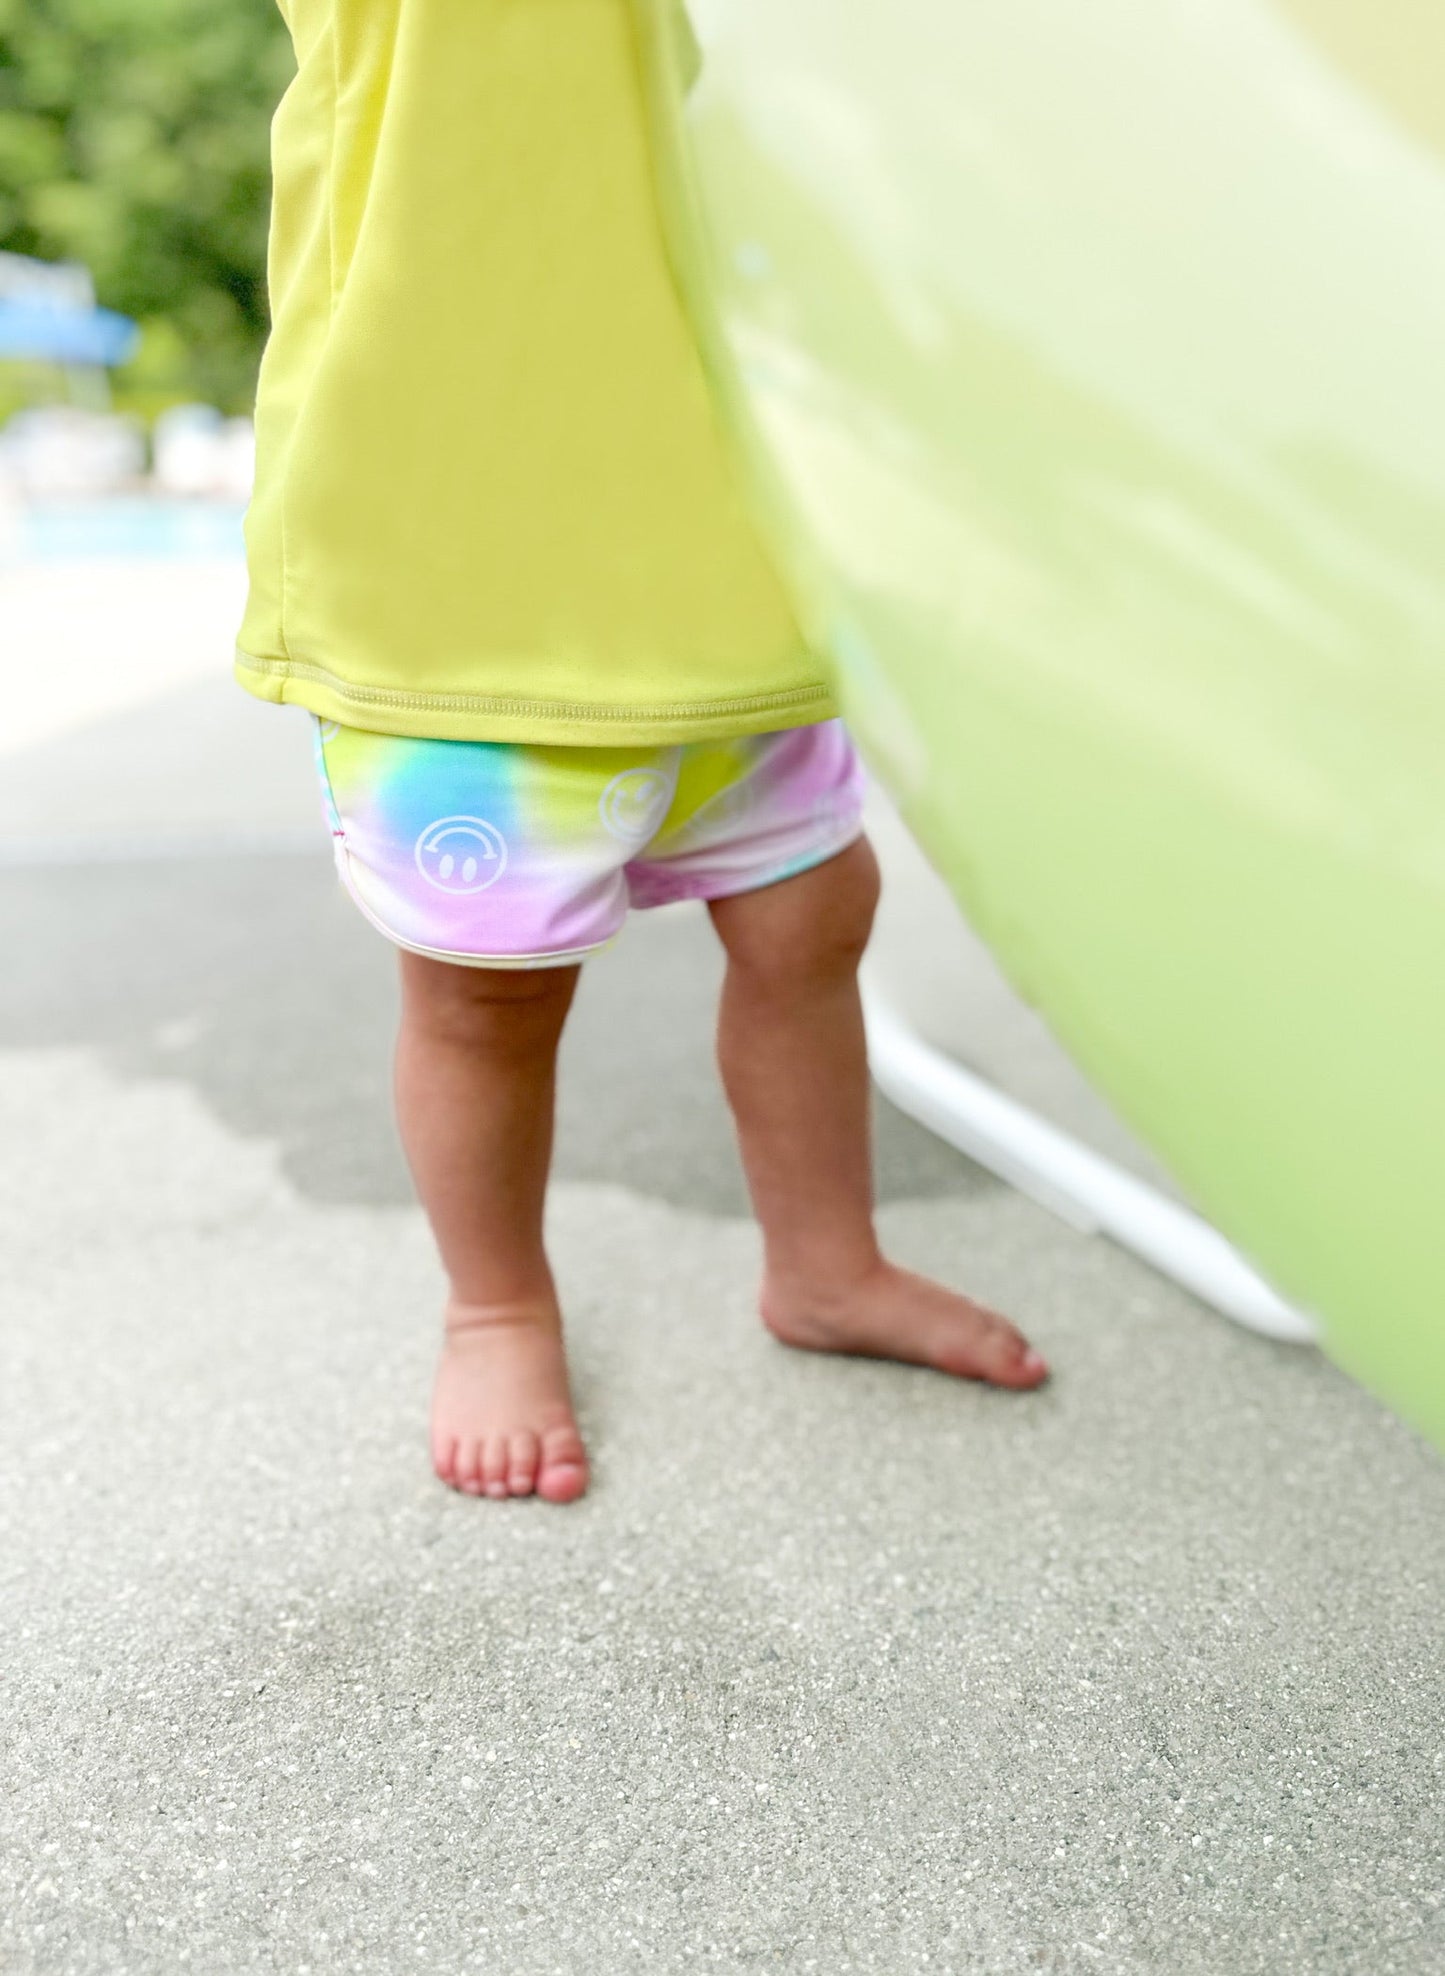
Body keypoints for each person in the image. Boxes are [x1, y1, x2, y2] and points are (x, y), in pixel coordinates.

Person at [238, 0, 1048, 1503]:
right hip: (458, 585)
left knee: (813, 914)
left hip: (711, 546)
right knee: (486, 994)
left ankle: (824, 1263)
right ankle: (494, 1304)